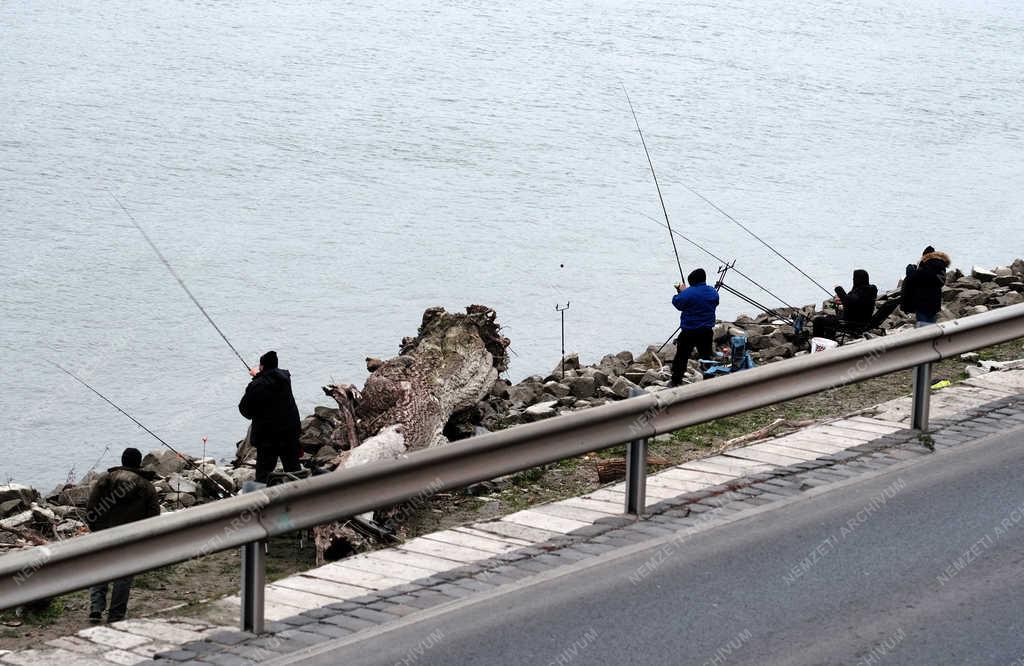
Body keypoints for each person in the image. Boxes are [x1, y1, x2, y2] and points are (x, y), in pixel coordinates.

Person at [85, 447, 160, 623]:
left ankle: (96, 608)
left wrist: (95, 528)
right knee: (123, 576)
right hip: (130, 537)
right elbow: (153, 517)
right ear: (139, 463)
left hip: (104, 533)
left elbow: (91, 507)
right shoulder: (146, 486)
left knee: (100, 570)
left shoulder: (105, 480)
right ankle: (116, 614)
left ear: (122, 460)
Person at [239, 350, 302, 483]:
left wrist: (257, 378)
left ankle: (264, 502)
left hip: (268, 439)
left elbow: (245, 411)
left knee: (263, 474)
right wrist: (259, 376)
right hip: (290, 434)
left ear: (262, 366)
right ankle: (303, 497)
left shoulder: (256, 386)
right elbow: (270, 379)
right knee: (294, 470)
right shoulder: (285, 379)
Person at [670, 268, 720, 386]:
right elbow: (715, 302)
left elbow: (677, 303)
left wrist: (681, 291)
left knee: (681, 357)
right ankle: (709, 380)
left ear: (691, 281)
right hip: (706, 331)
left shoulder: (688, 293)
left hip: (689, 332)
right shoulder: (713, 292)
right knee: (706, 356)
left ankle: (676, 381)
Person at [812, 269, 878, 339]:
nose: (853, 280)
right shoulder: (870, 290)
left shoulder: (861, 291)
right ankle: (829, 340)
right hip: (863, 320)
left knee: (818, 320)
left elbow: (848, 302)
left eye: (854, 279)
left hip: (852, 323)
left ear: (857, 279)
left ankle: (819, 343)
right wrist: (842, 301)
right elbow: (857, 303)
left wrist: (838, 289)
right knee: (830, 317)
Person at [902, 249, 951, 325]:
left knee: (923, 326)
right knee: (932, 326)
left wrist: (910, 269)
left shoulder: (927, 267)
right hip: (935, 303)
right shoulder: (941, 268)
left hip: (922, 302)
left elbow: (914, 279)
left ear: (925, 256)